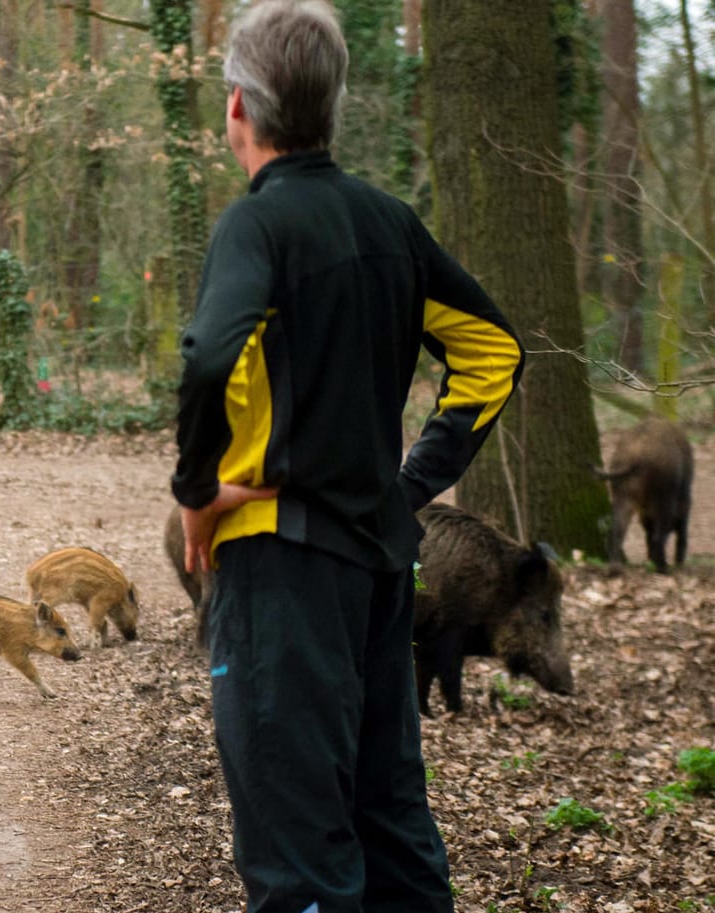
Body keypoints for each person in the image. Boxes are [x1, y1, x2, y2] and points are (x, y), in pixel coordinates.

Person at [171, 2, 524, 912]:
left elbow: (212, 353)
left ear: (236, 107)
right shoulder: (390, 223)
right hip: (380, 566)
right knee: (390, 826)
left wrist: (197, 488)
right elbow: (494, 350)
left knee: (298, 852)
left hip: (281, 569)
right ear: (329, 108)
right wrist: (408, 484)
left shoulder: (255, 227)